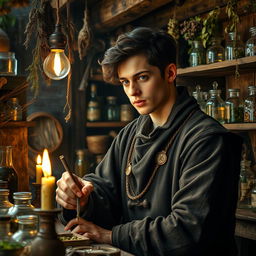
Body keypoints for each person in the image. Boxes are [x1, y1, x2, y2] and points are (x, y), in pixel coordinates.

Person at [56, 27, 242, 256]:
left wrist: (109, 235)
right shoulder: (129, 135)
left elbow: (187, 231)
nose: (133, 91)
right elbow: (103, 190)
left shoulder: (207, 140)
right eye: (125, 82)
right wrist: (81, 198)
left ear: (170, 73)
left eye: (142, 77)